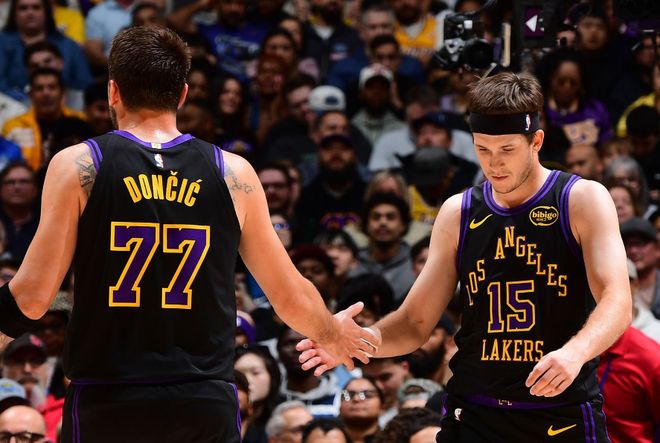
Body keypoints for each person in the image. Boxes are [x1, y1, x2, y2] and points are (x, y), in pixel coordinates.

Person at [0, 26, 378, 442]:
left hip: (109, 397)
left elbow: (32, 296)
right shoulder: (232, 172)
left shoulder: (78, 164)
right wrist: (331, 333)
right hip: (204, 400)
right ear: (182, 94)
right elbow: (289, 295)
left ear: (113, 91)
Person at [298, 72, 631, 442]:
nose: (494, 164)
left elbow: (617, 300)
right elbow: (414, 323)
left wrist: (575, 352)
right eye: (482, 149)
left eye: (507, 150)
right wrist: (363, 339)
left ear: (536, 141)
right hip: (474, 412)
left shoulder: (581, 199)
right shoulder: (459, 211)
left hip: (559, 410)